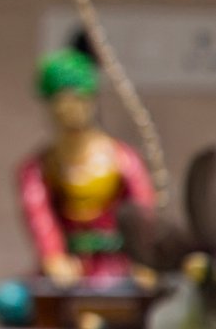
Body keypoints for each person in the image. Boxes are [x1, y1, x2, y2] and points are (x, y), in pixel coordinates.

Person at [15, 48, 155, 290]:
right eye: (60, 101)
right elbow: (40, 220)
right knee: (12, 301)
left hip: (119, 268)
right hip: (67, 272)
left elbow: (142, 210)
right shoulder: (38, 169)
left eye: (77, 99)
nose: (69, 109)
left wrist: (143, 259)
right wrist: (54, 258)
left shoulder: (123, 159)